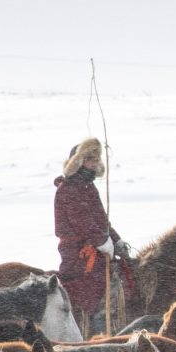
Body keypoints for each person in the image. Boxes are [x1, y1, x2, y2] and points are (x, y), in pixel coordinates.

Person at [54, 137, 133, 335]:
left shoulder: (89, 188)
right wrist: (102, 242)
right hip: (77, 254)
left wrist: (116, 240)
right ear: (78, 162)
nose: (94, 163)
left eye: (96, 159)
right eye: (90, 159)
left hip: (95, 250)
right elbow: (82, 222)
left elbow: (101, 221)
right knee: (103, 289)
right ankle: (101, 334)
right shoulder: (69, 189)